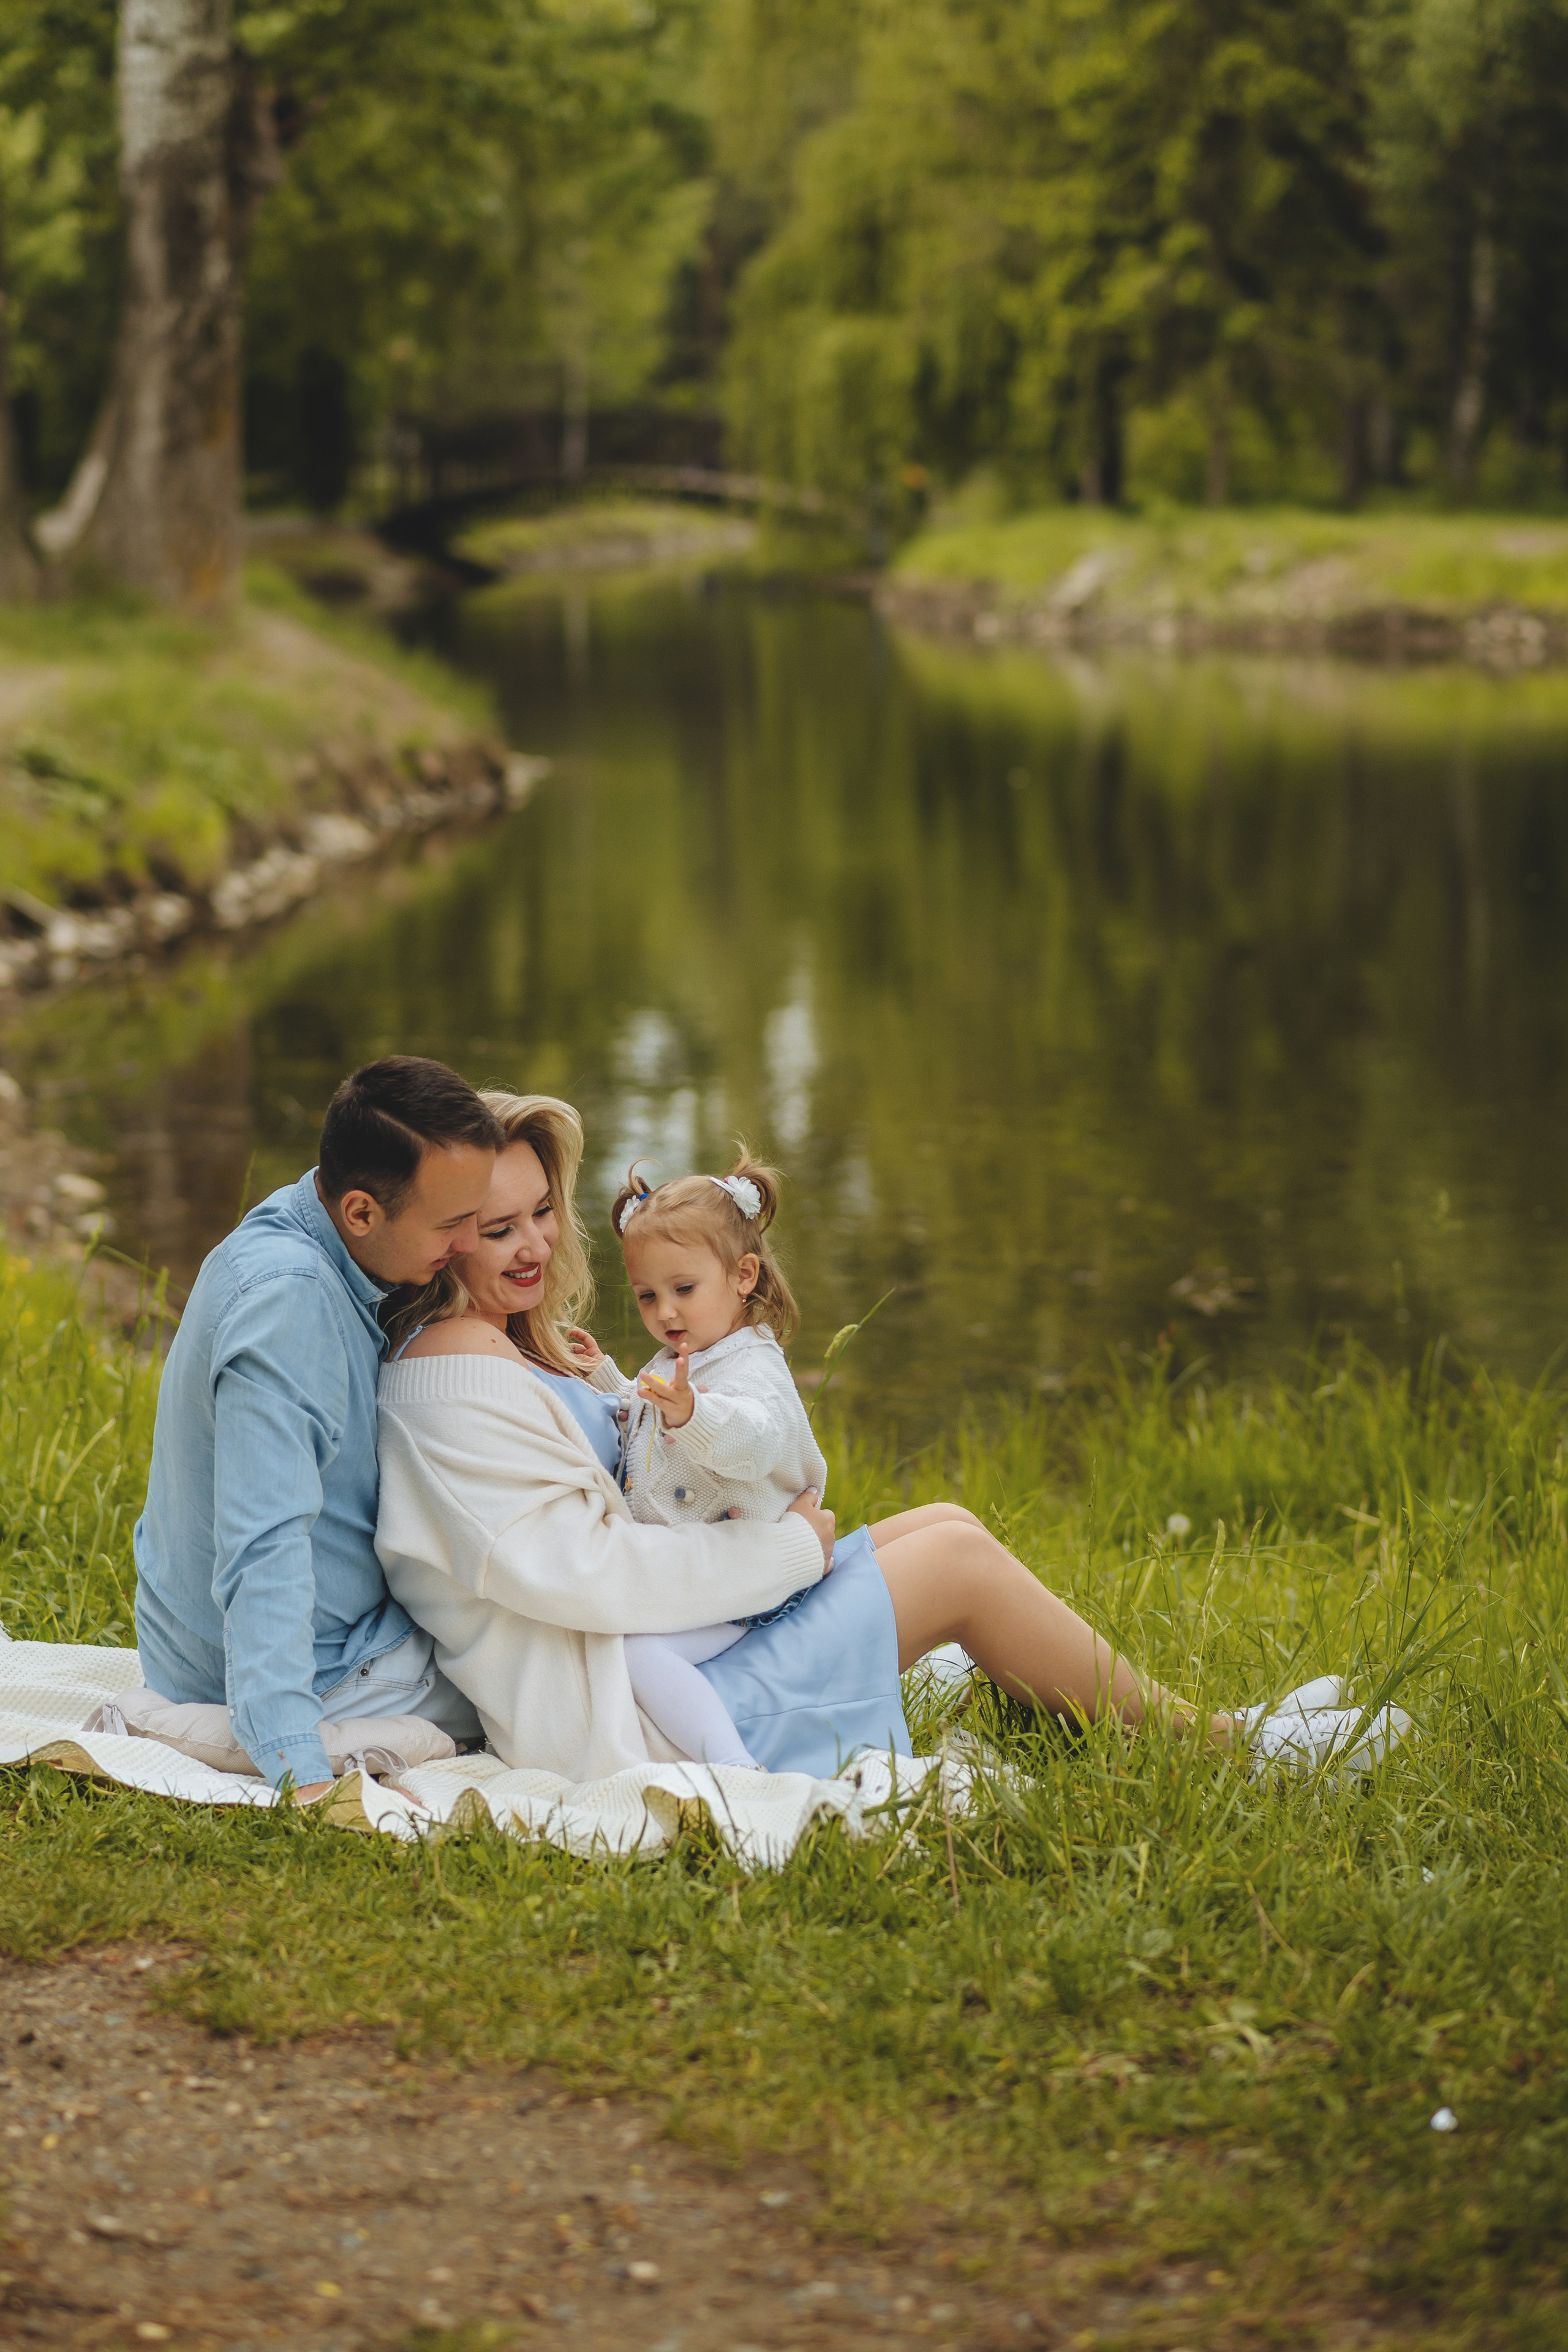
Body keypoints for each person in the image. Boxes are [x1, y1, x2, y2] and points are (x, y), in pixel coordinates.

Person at [375, 1092, 1403, 1782]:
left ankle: (1102, 1712)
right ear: (444, 1224)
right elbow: (578, 1572)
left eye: (543, 1213)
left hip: (677, 1650)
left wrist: (596, 1380)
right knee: (954, 1560)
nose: (534, 1244)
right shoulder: (449, 1369)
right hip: (638, 1717)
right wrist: (789, 1551)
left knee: (944, 1519)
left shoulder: (511, 1346)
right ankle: (1226, 1752)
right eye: (493, 1224)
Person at [132, 1057, 503, 1797]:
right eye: (451, 1222)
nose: (468, 1244)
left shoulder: (305, 1220)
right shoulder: (289, 1305)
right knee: (556, 1668)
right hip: (318, 1671)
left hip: (214, 1646)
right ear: (362, 1211)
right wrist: (296, 1765)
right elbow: (262, 1544)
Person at [569, 1151, 831, 1770]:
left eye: (684, 1289)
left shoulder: (751, 1366)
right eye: (646, 1296)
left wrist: (692, 1415)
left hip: (753, 1582)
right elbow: (644, 1412)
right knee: (620, 1642)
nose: (664, 1313)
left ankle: (734, 1767)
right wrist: (603, 1376)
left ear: (743, 1276)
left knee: (639, 1655)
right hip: (705, 1572)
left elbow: (755, 1441)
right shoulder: (678, 1361)